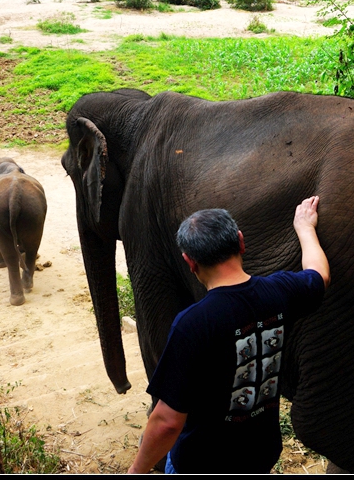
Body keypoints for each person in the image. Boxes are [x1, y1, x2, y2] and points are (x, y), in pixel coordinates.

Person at [127, 197, 330, 474]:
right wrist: (305, 227)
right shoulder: (280, 292)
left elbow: (167, 421)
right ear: (241, 242)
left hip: (203, 463)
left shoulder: (193, 323)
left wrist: (136, 471)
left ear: (190, 262)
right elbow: (319, 274)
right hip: (261, 453)